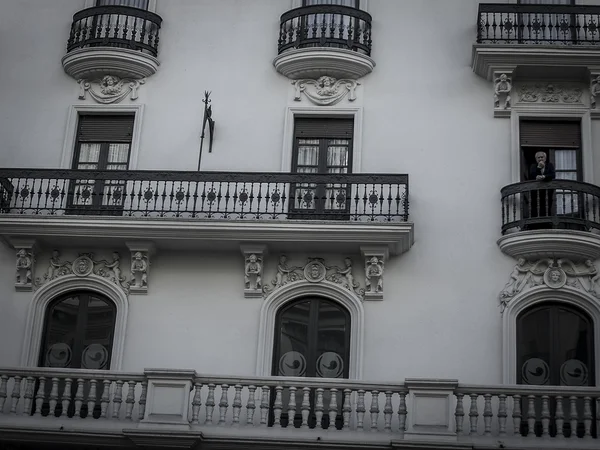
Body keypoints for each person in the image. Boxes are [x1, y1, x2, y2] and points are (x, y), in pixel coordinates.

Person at [528, 151, 555, 228]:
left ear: (545, 158)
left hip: (547, 192)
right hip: (536, 192)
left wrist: (544, 177)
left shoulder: (550, 165)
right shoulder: (533, 166)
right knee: (536, 207)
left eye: (542, 157)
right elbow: (532, 175)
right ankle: (535, 224)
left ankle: (547, 223)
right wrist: (539, 168)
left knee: (547, 206)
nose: (540, 159)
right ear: (536, 159)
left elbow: (553, 175)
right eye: (538, 157)